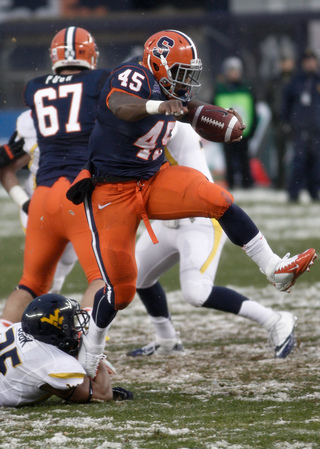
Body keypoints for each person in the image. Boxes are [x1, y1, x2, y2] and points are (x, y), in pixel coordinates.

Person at [66, 29, 316, 378]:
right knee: (120, 291)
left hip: (153, 179)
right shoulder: (132, 76)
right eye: (181, 74)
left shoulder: (173, 94)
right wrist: (157, 105)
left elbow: (192, 109)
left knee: (218, 198)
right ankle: (91, 352)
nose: (187, 83)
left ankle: (275, 269)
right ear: (157, 64)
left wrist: (224, 120)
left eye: (190, 74)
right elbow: (119, 106)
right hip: (112, 191)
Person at [126, 121, 297, 360]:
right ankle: (167, 340)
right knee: (136, 276)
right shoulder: (151, 117)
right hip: (167, 220)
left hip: (200, 219)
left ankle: (275, 320)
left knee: (196, 292)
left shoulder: (165, 123)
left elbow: (145, 132)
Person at [0, 26, 110, 331]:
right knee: (101, 280)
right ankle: (89, 352)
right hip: (77, 194)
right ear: (90, 54)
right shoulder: (100, 82)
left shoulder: (35, 87)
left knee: (30, 284)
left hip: (41, 197)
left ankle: (1, 345)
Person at [0, 293, 132, 406]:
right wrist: (97, 357)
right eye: (70, 323)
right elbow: (103, 394)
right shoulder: (52, 363)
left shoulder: (19, 328)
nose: (74, 328)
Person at [0, 111, 78, 301]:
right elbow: (5, 167)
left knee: (69, 259)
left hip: (78, 203)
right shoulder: (32, 122)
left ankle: (53, 296)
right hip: (41, 204)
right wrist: (24, 202)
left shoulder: (90, 114)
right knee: (39, 275)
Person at [282, 48, 320, 202]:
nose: (310, 64)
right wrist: (286, 122)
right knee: (299, 161)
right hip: (300, 128)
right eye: (307, 61)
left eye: (312, 61)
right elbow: (286, 104)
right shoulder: (295, 82)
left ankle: (314, 191)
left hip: (317, 129)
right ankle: (294, 193)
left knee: (316, 163)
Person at [213, 57, 256, 189]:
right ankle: (230, 182)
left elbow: (253, 110)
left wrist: (252, 128)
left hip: (244, 130)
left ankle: (247, 183)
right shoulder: (220, 89)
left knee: (244, 158)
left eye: (236, 70)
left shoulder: (246, 88)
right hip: (225, 130)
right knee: (229, 159)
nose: (233, 74)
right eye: (231, 71)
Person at [264, 55, 295, 189]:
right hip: (278, 121)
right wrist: (276, 112)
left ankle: (296, 181)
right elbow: (269, 98)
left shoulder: (296, 80)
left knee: (297, 154)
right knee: (278, 154)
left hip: (294, 122)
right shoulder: (275, 81)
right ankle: (280, 182)